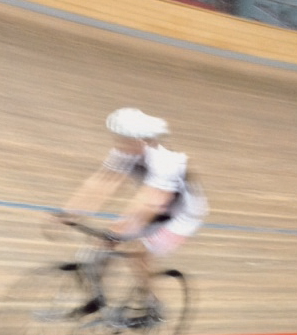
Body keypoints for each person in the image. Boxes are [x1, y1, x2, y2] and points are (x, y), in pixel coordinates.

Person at [53, 107, 208, 306]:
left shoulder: (166, 162)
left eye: (124, 139)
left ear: (141, 140)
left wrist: (120, 230)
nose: (119, 144)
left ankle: (151, 301)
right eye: (118, 138)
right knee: (104, 243)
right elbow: (101, 184)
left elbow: (151, 202)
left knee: (137, 250)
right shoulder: (126, 151)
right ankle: (96, 299)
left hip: (181, 215)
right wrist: (69, 212)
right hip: (155, 204)